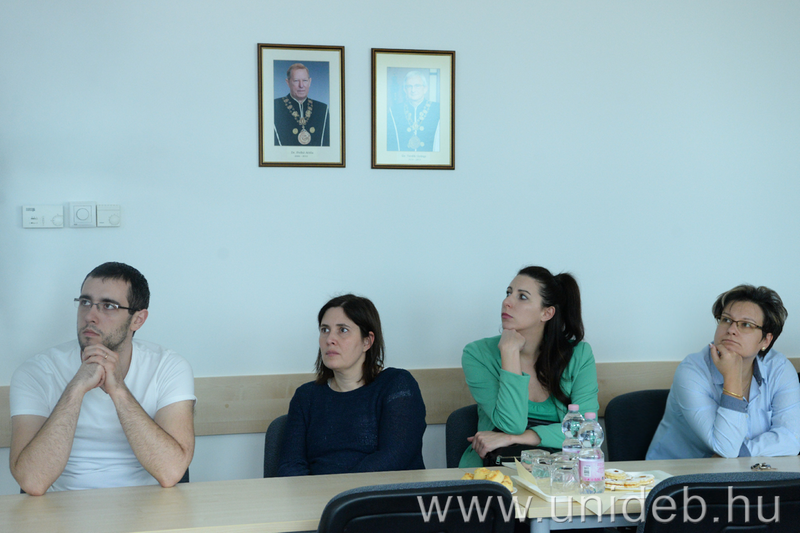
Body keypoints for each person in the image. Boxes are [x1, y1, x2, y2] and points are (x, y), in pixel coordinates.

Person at [9, 262, 195, 494]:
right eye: (85, 302)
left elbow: (171, 472)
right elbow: (31, 481)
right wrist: (75, 389)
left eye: (108, 306)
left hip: (147, 503)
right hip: (62, 504)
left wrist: (119, 391)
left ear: (138, 319)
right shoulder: (35, 372)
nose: (90, 316)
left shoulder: (168, 367)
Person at [460, 266, 600, 468]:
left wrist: (514, 438)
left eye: (522, 297)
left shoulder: (579, 355)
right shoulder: (477, 354)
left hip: (560, 470)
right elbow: (511, 424)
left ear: (546, 313)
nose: (507, 302)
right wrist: (510, 353)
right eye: (508, 293)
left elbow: (587, 432)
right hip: (495, 468)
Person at [278, 294, 426, 476]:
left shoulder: (397, 384)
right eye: (325, 330)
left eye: (343, 330)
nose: (330, 339)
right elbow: (290, 465)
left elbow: (394, 457)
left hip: (380, 492)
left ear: (367, 341)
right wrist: (314, 492)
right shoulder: (306, 396)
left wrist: (339, 490)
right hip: (317, 493)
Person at [647, 284, 800, 460]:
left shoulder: (779, 368)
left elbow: (792, 438)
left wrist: (743, 453)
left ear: (766, 340)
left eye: (746, 324)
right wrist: (732, 377)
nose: (731, 330)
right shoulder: (691, 371)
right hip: (675, 474)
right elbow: (726, 447)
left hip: (745, 471)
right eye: (726, 319)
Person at [274, 63, 330, 147]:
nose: (301, 85)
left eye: (305, 80)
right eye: (296, 80)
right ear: (288, 82)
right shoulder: (275, 106)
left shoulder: (322, 109)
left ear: (309, 82)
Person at [387, 70, 440, 152]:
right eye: (409, 86)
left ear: (425, 88)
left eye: (417, 86)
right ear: (405, 90)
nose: (413, 90)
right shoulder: (394, 111)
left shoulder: (438, 109)